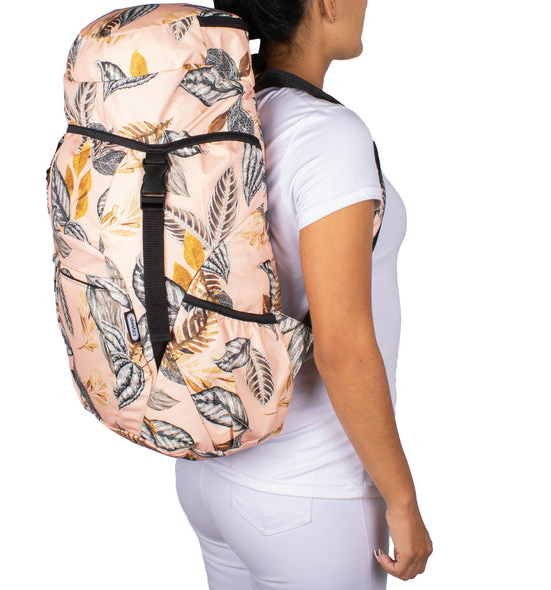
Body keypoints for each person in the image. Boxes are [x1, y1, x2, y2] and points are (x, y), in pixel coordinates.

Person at [175, 1, 433, 588]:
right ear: (324, 4)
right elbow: (343, 349)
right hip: (309, 493)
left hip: (211, 464)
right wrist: (403, 501)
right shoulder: (327, 134)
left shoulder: (223, 116)